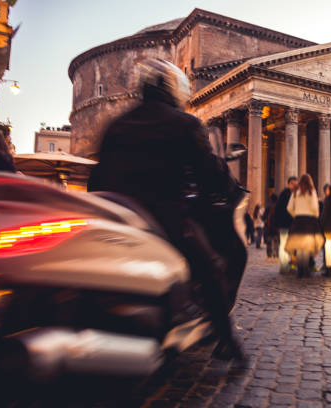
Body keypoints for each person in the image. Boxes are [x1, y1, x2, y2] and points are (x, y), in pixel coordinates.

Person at [87, 59, 243, 359]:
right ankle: (226, 339)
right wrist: (225, 186)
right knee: (209, 266)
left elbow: (97, 176)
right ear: (173, 89)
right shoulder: (182, 123)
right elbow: (208, 171)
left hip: (114, 217)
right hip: (163, 216)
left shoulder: (117, 124)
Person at [285, 174, 325, 277]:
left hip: (298, 220)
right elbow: (314, 207)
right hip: (308, 221)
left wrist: (296, 214)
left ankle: (300, 270)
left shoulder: (295, 193)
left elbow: (289, 207)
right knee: (306, 247)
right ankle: (305, 270)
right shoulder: (312, 192)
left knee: (299, 247)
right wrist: (315, 216)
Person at [275, 176, 298, 273]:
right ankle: (284, 267)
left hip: (293, 225)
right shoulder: (285, 194)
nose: (294, 185)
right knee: (284, 245)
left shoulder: (295, 194)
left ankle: (292, 265)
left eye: (296, 184)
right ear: (289, 184)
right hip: (285, 224)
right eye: (293, 183)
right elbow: (280, 210)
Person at [263, 194, 279, 260]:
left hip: (269, 227)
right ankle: (276, 256)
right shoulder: (278, 206)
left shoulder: (268, 206)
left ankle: (269, 256)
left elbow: (264, 216)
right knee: (276, 242)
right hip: (276, 227)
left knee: (269, 241)